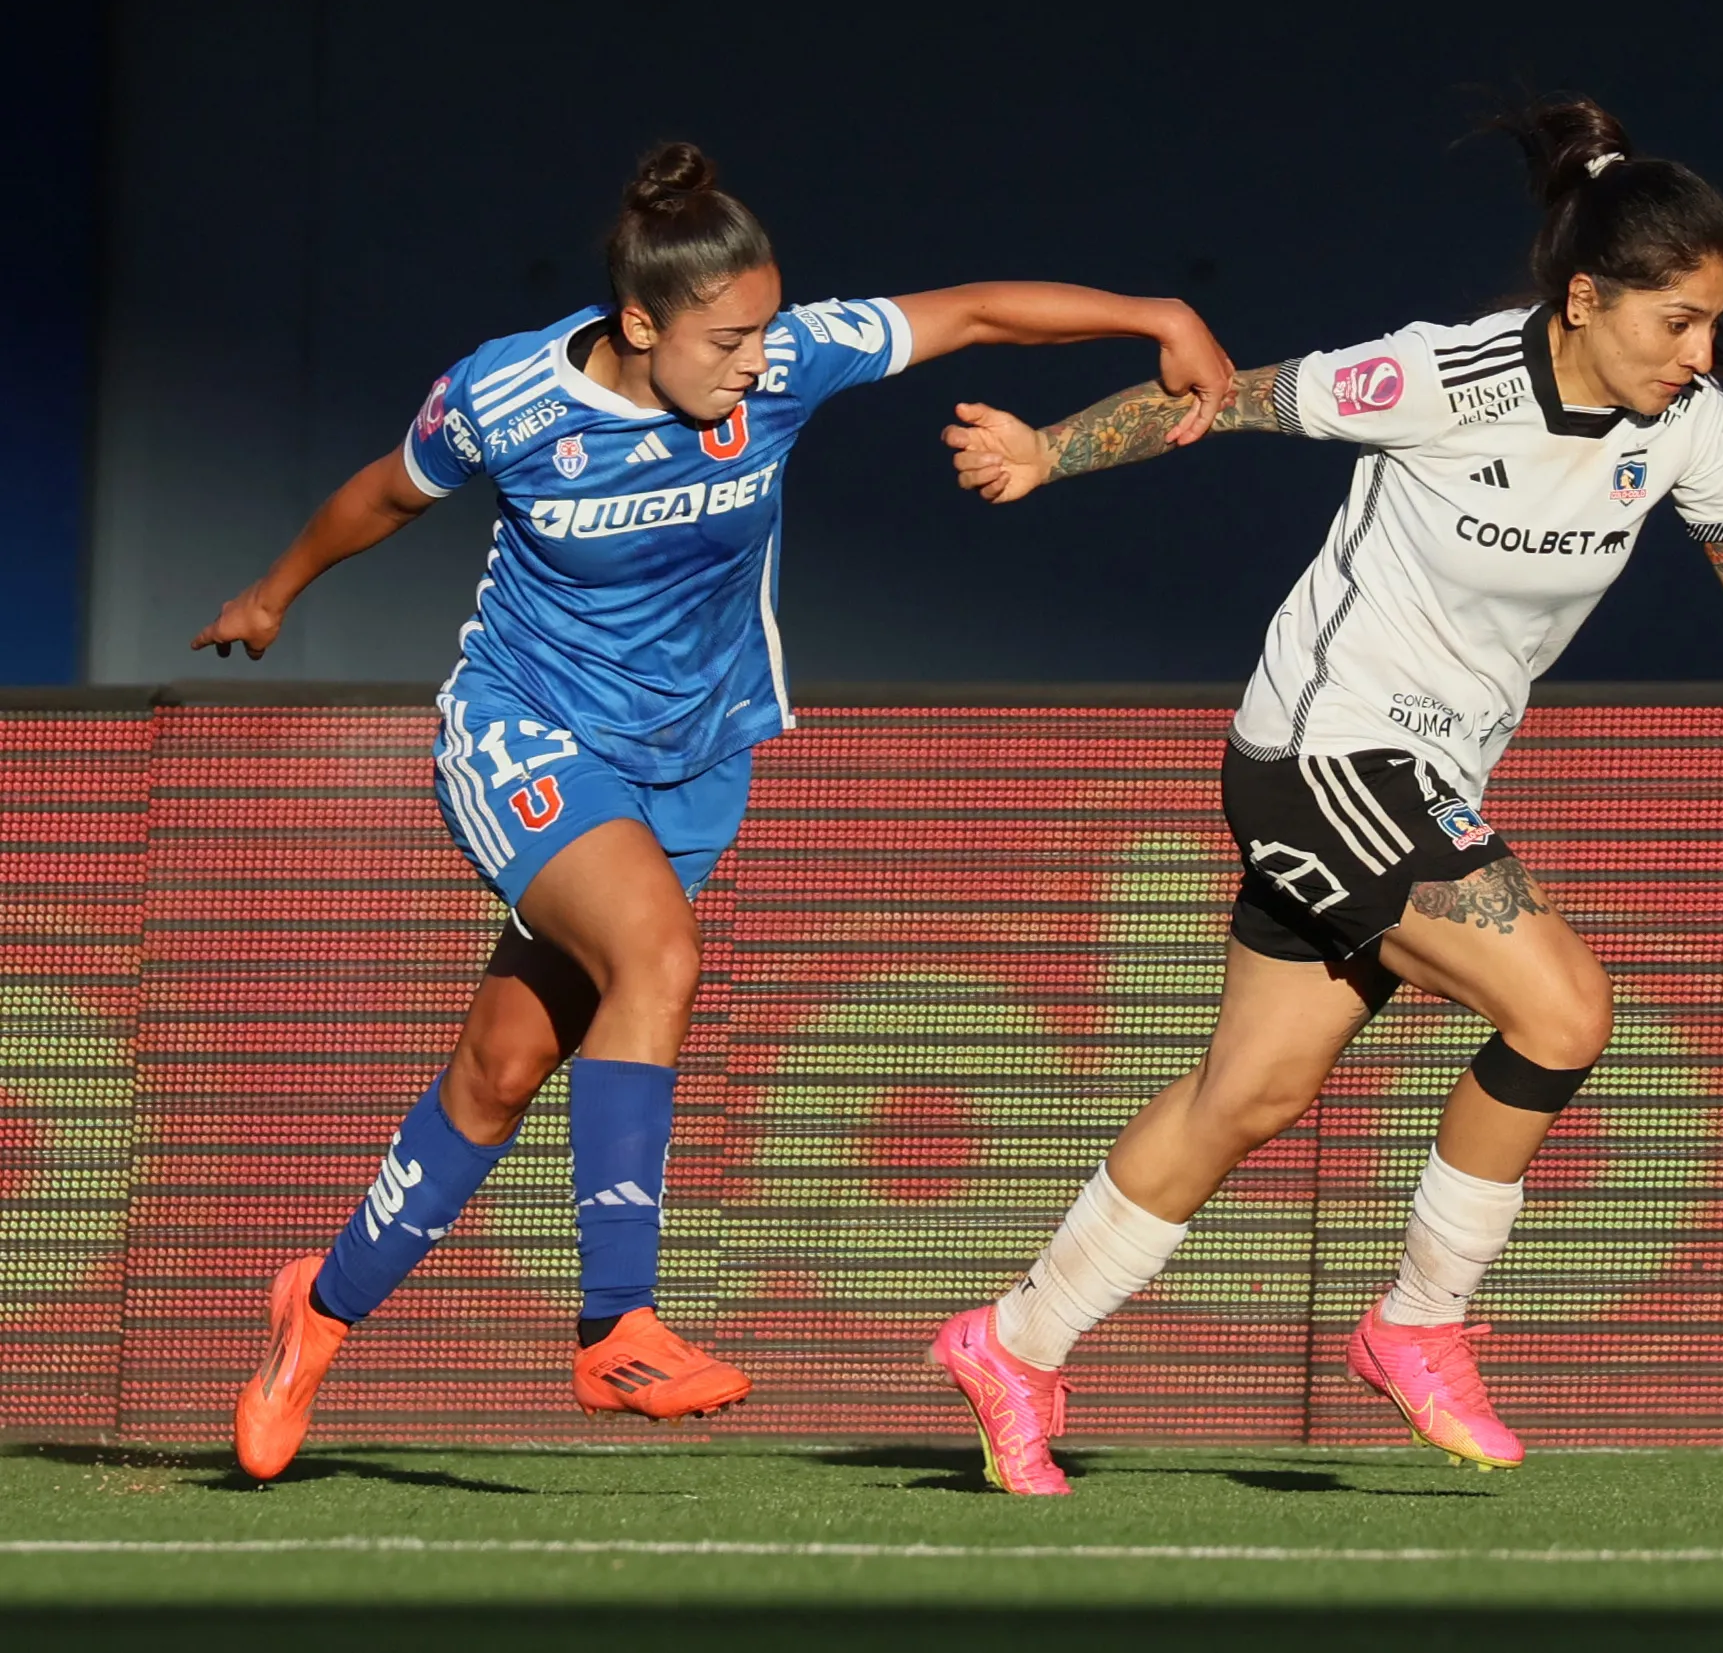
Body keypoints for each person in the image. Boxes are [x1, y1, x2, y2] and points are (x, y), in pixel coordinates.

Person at [196, 142, 1234, 1482]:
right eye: (727, 336)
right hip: (527, 729)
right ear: (640, 323)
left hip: (692, 763)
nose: (755, 359)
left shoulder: (788, 365)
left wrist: (1156, 315)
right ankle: (615, 1321)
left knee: (503, 1071)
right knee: (658, 960)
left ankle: (316, 1316)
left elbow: (969, 311)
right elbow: (385, 493)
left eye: (765, 330)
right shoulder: (505, 396)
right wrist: (275, 593)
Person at [932, 95, 1723, 1495]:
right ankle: (1418, 1325)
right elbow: (1228, 398)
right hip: (1323, 755)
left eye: (1710, 320)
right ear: (1584, 298)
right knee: (1563, 1006)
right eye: (1673, 322)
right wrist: (1048, 450)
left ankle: (1012, 1343)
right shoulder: (1441, 378)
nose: (1698, 353)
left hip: (1416, 776)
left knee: (1247, 1096)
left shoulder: (1691, 428)